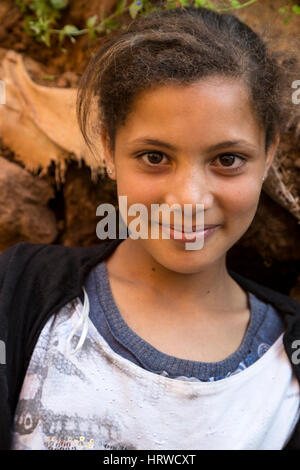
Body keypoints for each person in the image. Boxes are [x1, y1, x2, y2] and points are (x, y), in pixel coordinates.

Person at [0, 5, 300, 450]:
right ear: (108, 146)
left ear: (269, 152)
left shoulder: (287, 366)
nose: (189, 200)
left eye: (227, 159)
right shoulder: (17, 289)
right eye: (155, 157)